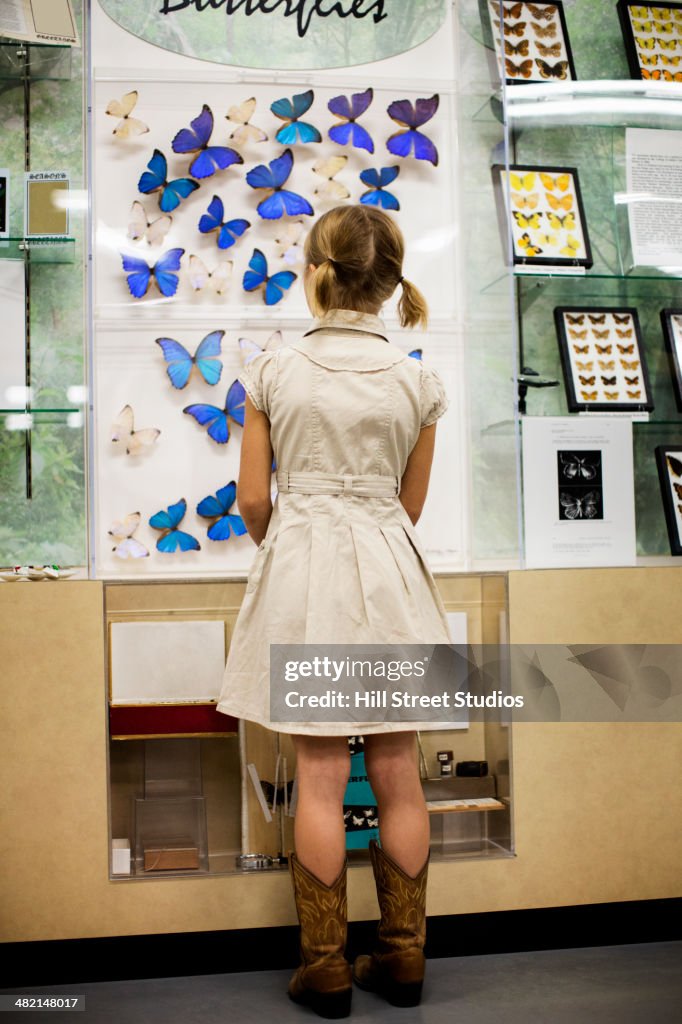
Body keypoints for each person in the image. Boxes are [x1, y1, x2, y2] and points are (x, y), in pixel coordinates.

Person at [216, 203, 451, 1019]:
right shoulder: (419, 380)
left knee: (318, 774)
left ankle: (322, 968)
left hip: (305, 567)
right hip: (391, 572)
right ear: (389, 281)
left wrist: (291, 541)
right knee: (398, 772)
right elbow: (409, 505)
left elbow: (252, 497)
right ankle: (404, 961)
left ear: (316, 271)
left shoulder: (274, 369)